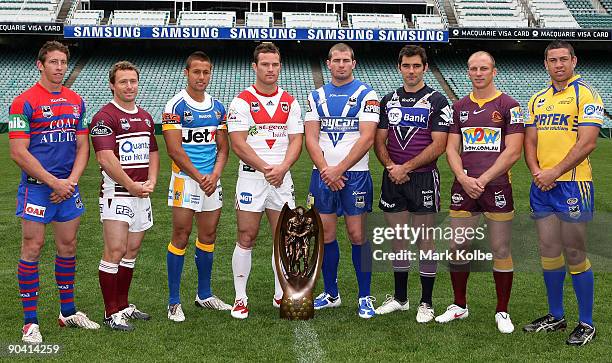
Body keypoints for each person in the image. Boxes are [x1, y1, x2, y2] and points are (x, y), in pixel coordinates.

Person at [9, 41, 99, 344]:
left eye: (63, 62)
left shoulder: (76, 100)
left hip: (67, 188)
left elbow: (82, 146)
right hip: (37, 190)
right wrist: (52, 182)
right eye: (53, 62)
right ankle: (30, 322)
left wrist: (69, 182)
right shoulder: (23, 102)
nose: (59, 67)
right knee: (32, 248)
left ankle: (68, 312)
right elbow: (18, 152)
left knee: (69, 246)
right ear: (40, 65)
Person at [434, 51, 524, 334]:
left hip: (496, 187)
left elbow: (513, 151)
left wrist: (482, 179)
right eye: (473, 68)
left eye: (483, 68)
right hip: (464, 187)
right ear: (468, 72)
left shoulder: (509, 105)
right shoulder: (459, 107)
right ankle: (459, 305)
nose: (478, 73)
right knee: (458, 246)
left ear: (493, 71)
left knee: (500, 248)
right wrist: (462, 176)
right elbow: (451, 147)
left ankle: (502, 310)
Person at [523, 40, 603, 346]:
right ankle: (556, 316)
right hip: (541, 185)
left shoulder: (586, 94)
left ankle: (586, 323)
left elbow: (588, 142)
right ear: (546, 64)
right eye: (552, 60)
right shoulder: (537, 100)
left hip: (573, 184)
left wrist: (554, 173)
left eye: (563, 59)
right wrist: (536, 173)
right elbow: (530, 142)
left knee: (574, 251)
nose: (558, 64)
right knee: (548, 249)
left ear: (574, 61)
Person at [373, 45, 451, 323]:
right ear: (399, 68)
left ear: (425, 68)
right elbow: (379, 140)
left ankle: (426, 302)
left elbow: (439, 144)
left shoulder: (438, 101)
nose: (411, 71)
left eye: (416, 66)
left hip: (423, 178)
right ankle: (401, 299)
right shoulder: (388, 100)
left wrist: (406, 167)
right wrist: (392, 167)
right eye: (406, 66)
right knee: (399, 239)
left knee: (424, 240)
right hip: (392, 177)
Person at [226, 42, 303, 319]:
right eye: (265, 64)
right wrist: (266, 168)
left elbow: (297, 140)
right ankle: (240, 298)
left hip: (282, 178)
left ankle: (281, 294)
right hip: (251, 178)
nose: (270, 69)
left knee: (283, 237)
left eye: (275, 64)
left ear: (280, 67)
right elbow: (237, 143)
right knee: (246, 236)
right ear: (254, 67)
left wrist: (282, 168)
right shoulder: (241, 101)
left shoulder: (290, 101)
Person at [305, 43, 380, 319]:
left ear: (353, 63)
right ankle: (332, 293)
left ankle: (364, 297)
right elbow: (311, 137)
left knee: (358, 236)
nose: (341, 64)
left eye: (345, 60)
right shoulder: (316, 96)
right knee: (326, 235)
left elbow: (367, 137)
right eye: (336, 60)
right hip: (323, 175)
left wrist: (339, 170)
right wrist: (327, 169)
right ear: (328, 64)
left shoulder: (367, 95)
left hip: (356, 175)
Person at [90, 61, 159, 331]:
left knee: (131, 251)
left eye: (133, 81)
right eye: (123, 82)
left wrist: (152, 179)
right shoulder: (104, 117)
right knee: (115, 251)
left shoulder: (144, 115)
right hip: (117, 193)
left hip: (141, 193)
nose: (129, 86)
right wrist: (131, 184)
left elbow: (153, 151)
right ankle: (110, 313)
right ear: (112, 85)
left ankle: (123, 305)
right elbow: (105, 159)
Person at [162, 51, 231, 322]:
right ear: (186, 73)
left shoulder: (217, 107)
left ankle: (204, 294)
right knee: (181, 234)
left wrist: (213, 175)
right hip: (186, 180)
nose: (201, 77)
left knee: (209, 235)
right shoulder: (175, 105)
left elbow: (223, 148)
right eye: (196, 72)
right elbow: (174, 150)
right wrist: (199, 177)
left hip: (210, 181)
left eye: (206, 72)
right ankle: (173, 302)